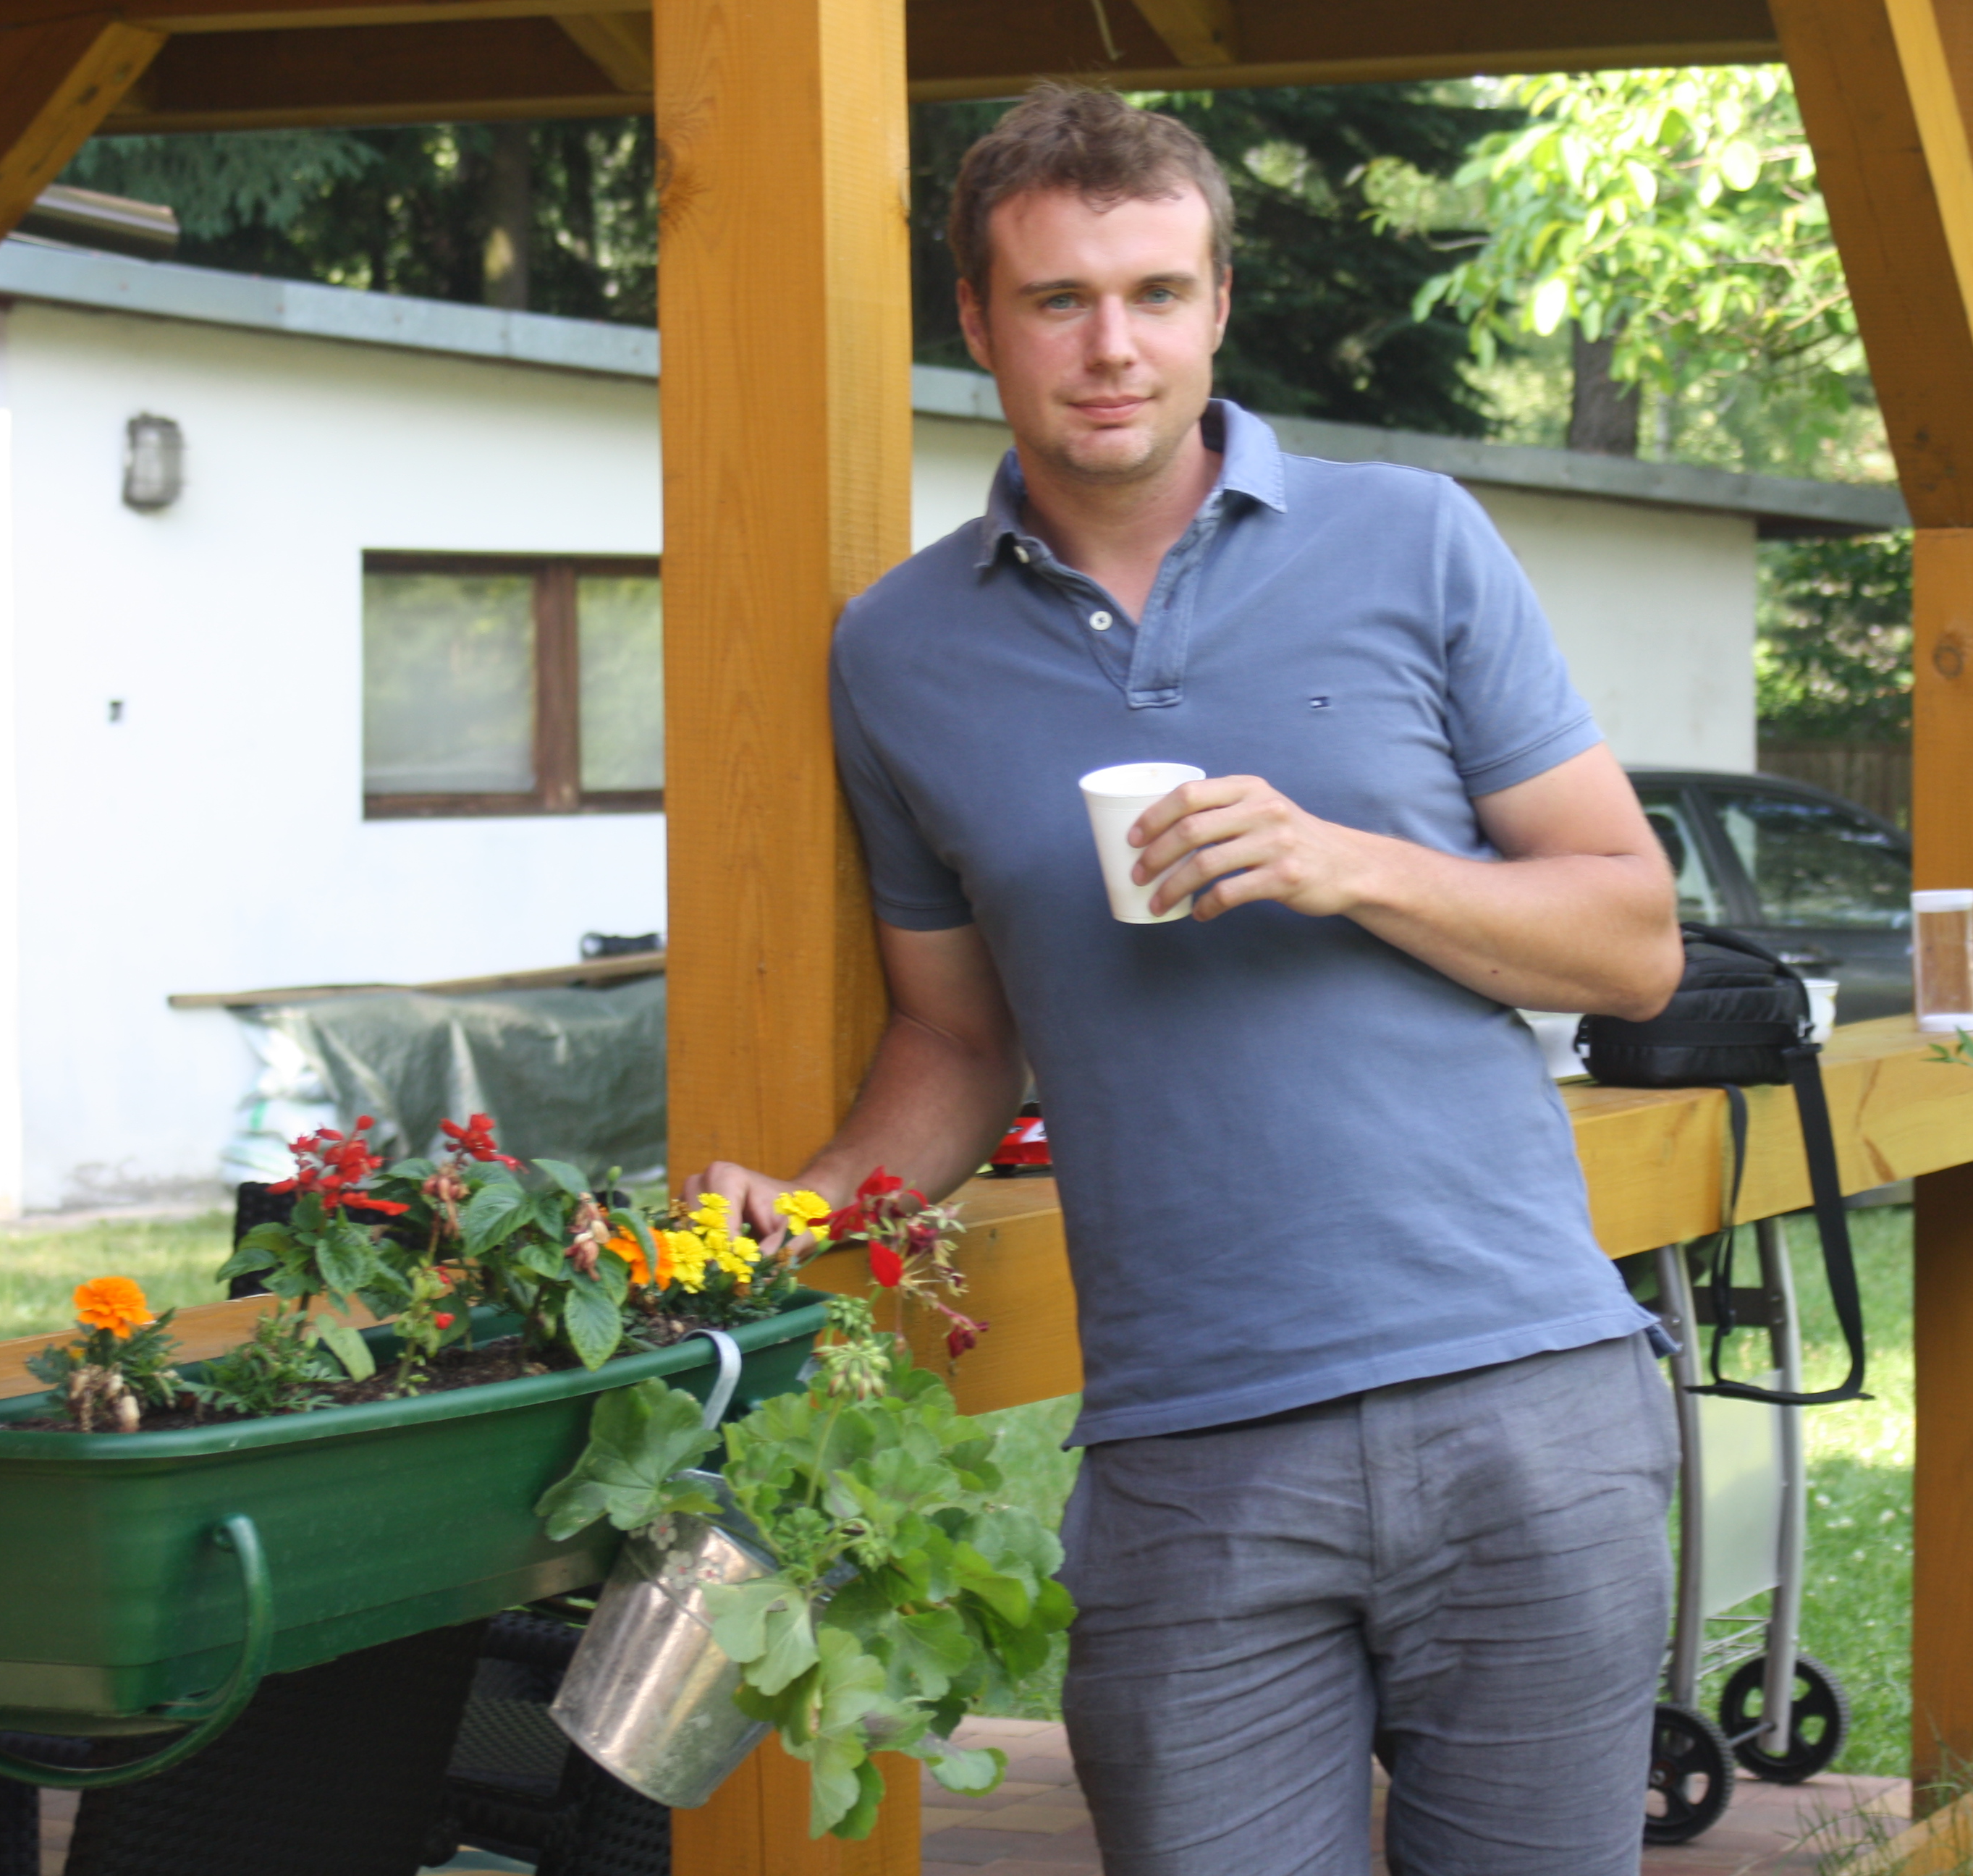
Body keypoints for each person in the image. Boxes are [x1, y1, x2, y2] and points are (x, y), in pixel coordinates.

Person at [687, 85, 1684, 1876]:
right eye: (1058, 300)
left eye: (1156, 293)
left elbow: (1632, 936)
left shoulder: (1414, 536)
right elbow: (956, 1033)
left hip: (1524, 1392)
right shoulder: (899, 650)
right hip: (1186, 1452)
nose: (1112, 347)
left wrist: (1345, 862)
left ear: (1219, 304)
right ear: (979, 320)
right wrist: (819, 1206)